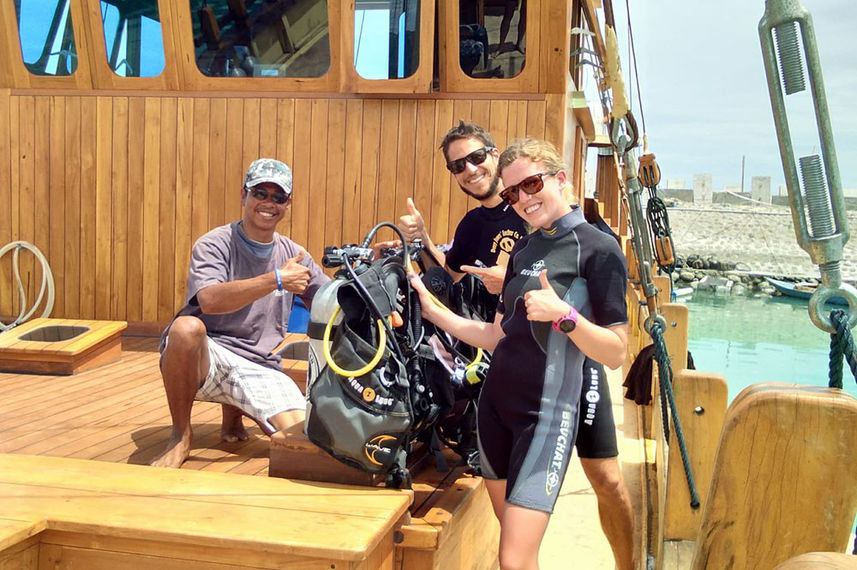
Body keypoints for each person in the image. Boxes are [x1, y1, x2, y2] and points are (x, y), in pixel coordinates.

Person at [409, 138, 634, 570]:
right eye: (512, 193)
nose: (523, 199)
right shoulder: (524, 250)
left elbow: (616, 353)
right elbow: (497, 336)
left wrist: (564, 315)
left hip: (544, 416)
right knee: (515, 550)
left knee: (512, 559)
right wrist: (432, 311)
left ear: (560, 178)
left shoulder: (598, 248)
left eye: (531, 184)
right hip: (495, 411)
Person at [150, 158, 329, 469]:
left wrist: (370, 265)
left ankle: (234, 413)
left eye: (278, 197)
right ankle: (180, 435)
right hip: (208, 357)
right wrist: (275, 279)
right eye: (260, 193)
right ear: (244, 195)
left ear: (287, 204)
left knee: (305, 442)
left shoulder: (295, 255)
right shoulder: (214, 243)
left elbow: (330, 299)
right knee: (185, 329)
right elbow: (209, 300)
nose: (268, 203)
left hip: (259, 363)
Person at [398, 120, 527, 318]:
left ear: (495, 156)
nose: (470, 169)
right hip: (497, 333)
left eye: (477, 157)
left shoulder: (529, 205)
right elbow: (447, 278)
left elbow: (566, 277)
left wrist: (511, 281)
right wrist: (422, 237)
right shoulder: (472, 225)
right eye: (458, 166)